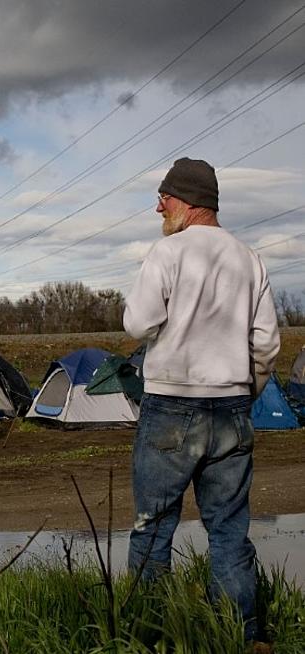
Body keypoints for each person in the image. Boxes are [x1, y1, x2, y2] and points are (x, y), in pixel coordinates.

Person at [123, 157, 280, 642]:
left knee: (153, 527)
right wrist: (243, 393)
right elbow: (267, 344)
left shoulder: (168, 254)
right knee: (229, 531)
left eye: (164, 198)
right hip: (232, 409)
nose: (157, 207)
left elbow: (137, 325)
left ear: (187, 202)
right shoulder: (247, 257)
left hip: (171, 407)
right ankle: (242, 637)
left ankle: (147, 640)